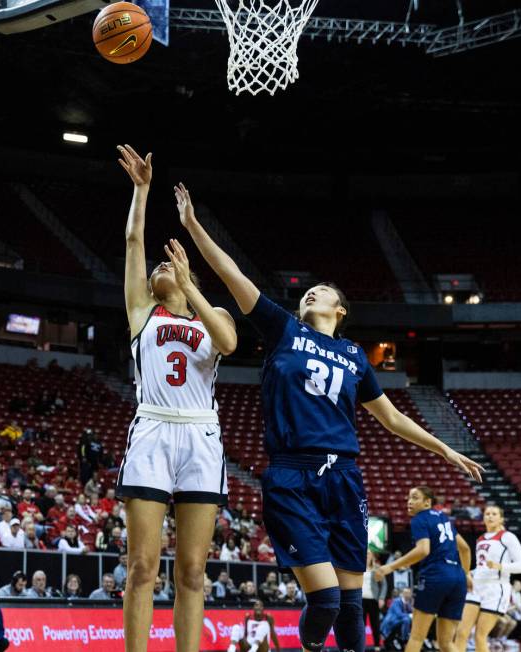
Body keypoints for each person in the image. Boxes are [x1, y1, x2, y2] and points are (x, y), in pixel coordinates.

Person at [176, 181, 484, 652]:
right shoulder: (282, 329)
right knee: (323, 600)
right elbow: (232, 273)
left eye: (321, 292)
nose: (310, 293)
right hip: (291, 475)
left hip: (344, 478)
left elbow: (391, 419)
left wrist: (444, 448)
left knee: (351, 603)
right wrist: (195, 226)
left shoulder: (355, 354)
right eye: (308, 292)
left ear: (339, 310)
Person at [114, 145, 237, 652]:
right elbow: (133, 240)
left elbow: (228, 344)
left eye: (171, 265)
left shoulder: (215, 318)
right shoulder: (143, 311)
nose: (161, 265)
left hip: (201, 436)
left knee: (191, 572)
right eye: (159, 266)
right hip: (153, 429)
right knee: (142, 566)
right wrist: (142, 190)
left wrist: (191, 284)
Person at [376, 487, 471, 652]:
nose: (409, 502)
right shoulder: (443, 517)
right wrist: (466, 573)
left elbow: (423, 550)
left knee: (416, 637)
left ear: (427, 502)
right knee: (446, 643)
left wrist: (389, 567)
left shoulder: (419, 519)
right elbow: (465, 549)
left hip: (436, 576)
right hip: (457, 578)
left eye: (414, 497)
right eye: (408, 498)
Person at [455, 505, 521, 652]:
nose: (490, 516)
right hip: (476, 587)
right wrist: (468, 573)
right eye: (487, 514)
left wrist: (499, 566)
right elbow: (482, 568)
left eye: (494, 514)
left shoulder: (508, 537)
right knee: (461, 633)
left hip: (496, 588)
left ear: (501, 518)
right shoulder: (480, 539)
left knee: (480, 636)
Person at [363, 550, 387, 651]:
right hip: (360, 599)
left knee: (375, 624)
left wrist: (381, 598)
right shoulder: (358, 566)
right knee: (360, 625)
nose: (367, 555)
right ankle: (360, 646)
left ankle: (377, 646)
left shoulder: (377, 568)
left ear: (372, 555)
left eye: (368, 553)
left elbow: (384, 585)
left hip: (373, 600)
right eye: (366, 553)